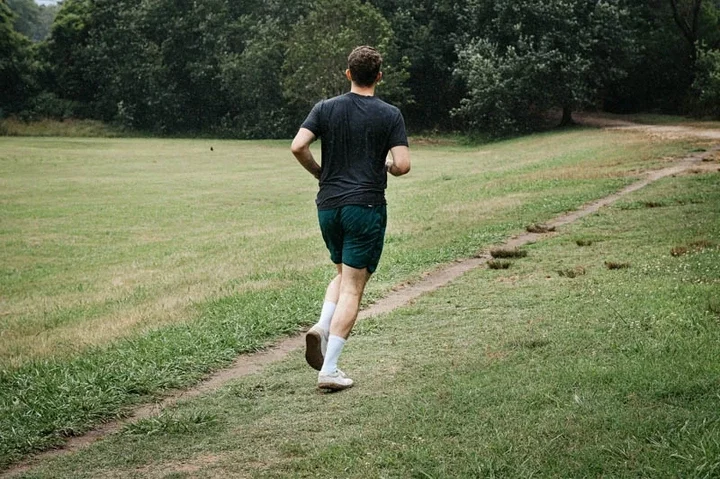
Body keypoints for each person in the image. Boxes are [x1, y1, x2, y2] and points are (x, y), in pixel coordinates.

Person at [290, 45, 411, 391]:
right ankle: (329, 369)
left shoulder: (325, 108)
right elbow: (402, 164)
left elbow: (298, 146)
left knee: (342, 274)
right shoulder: (389, 114)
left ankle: (322, 326)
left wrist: (320, 172)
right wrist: (386, 165)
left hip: (328, 205)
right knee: (354, 288)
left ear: (348, 74)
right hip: (365, 208)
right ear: (379, 77)